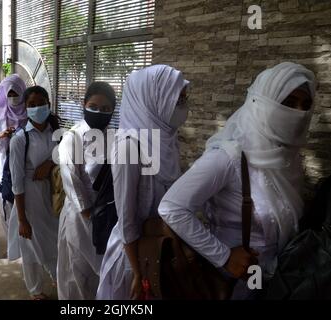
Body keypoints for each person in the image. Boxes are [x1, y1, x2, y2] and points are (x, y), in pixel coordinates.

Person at [158, 62, 316, 299]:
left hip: (273, 277)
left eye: (305, 106)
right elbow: (172, 207)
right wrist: (223, 256)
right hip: (231, 281)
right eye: (288, 103)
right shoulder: (229, 157)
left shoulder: (288, 159)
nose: (298, 113)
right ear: (261, 103)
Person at [96, 65, 190, 300]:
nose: (183, 107)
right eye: (177, 99)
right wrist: (138, 273)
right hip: (136, 260)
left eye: (184, 99)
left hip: (161, 250)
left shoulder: (166, 139)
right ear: (153, 99)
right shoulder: (129, 147)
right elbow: (127, 219)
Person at [57, 82, 117, 300]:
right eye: (93, 106)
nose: (98, 112)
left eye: (105, 109)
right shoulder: (73, 137)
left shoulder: (113, 137)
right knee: (77, 274)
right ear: (83, 105)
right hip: (81, 217)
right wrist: (88, 214)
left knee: (102, 274)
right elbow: (71, 180)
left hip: (106, 217)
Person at [9, 86, 59, 300]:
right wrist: (22, 219)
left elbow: (65, 155)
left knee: (55, 238)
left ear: (49, 103)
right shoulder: (20, 139)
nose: (37, 108)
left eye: (41, 103)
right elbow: (17, 181)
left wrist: (50, 163)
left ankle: (57, 274)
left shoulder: (57, 132)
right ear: (25, 108)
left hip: (54, 194)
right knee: (31, 244)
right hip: (30, 198)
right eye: (32, 105)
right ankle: (35, 289)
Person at [0, 74, 27, 238]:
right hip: (2, 161)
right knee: (5, 200)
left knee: (23, 201)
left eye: (16, 94)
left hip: (24, 161)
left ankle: (24, 241)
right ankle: (10, 240)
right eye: (10, 94)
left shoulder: (30, 110)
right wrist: (0, 135)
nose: (13, 98)